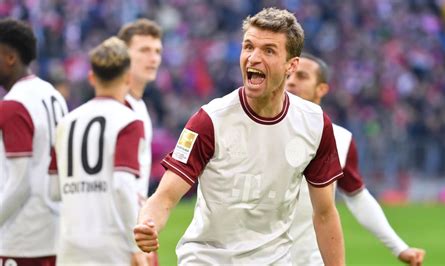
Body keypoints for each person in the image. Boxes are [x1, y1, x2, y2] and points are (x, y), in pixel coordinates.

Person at [134, 8, 345, 265]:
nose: (253, 58)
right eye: (248, 47)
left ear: (292, 65)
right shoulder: (210, 120)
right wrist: (148, 223)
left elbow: (324, 213)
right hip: (208, 259)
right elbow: (165, 196)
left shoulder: (314, 123)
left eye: (268, 50)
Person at [286, 53, 426, 266]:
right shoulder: (259, 128)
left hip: (311, 261)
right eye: (288, 75)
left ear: (321, 89)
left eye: (302, 76)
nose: (292, 81)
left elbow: (357, 197)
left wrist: (399, 248)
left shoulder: (340, 139)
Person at [53, 37, 147, 265]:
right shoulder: (129, 121)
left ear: (91, 78)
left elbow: (54, 190)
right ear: (128, 77)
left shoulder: (66, 122)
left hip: (69, 244)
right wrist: (134, 246)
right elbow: (122, 186)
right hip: (111, 247)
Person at [0, 18, 68, 265]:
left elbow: (20, 183)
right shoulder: (53, 94)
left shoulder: (13, 105)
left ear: (9, 57)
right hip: (56, 228)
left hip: (23, 236)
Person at [118, 18, 163, 266]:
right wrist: (130, 244)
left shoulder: (139, 105)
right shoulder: (119, 108)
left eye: (157, 51)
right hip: (122, 235)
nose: (153, 58)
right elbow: (117, 184)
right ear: (124, 55)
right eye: (144, 50)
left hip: (137, 227)